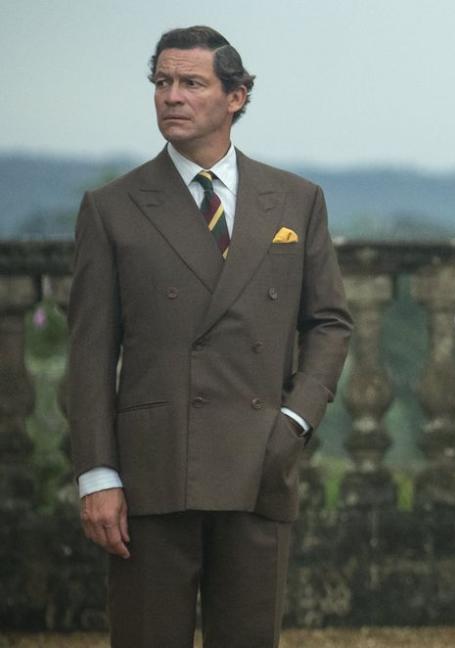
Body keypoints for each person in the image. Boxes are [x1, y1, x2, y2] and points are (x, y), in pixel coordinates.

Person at [67, 25, 352, 647]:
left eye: (191, 83)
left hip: (259, 462)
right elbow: (89, 354)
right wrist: (97, 474)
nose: (172, 96)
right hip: (151, 474)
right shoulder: (111, 207)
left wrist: (295, 423)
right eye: (162, 82)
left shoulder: (297, 201)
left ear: (237, 96)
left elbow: (329, 322)